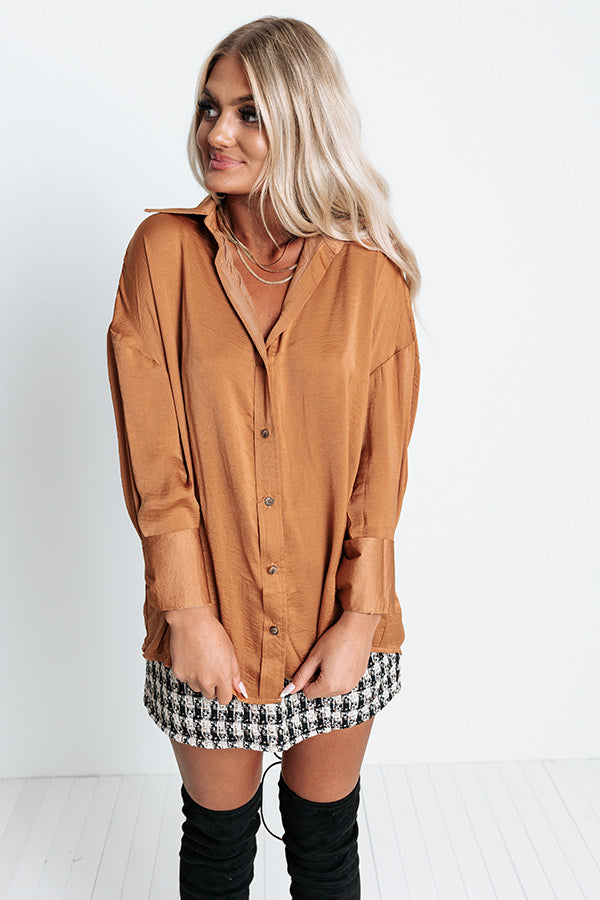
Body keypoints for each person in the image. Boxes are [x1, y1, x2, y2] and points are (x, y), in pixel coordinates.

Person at [107, 15, 421, 899]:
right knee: (217, 849)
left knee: (325, 847)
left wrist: (360, 621)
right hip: (209, 623)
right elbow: (154, 465)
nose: (218, 132)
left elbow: (380, 476)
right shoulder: (161, 257)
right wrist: (188, 614)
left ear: (303, 119)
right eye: (210, 108)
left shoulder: (371, 278)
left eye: (249, 113)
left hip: (340, 621)